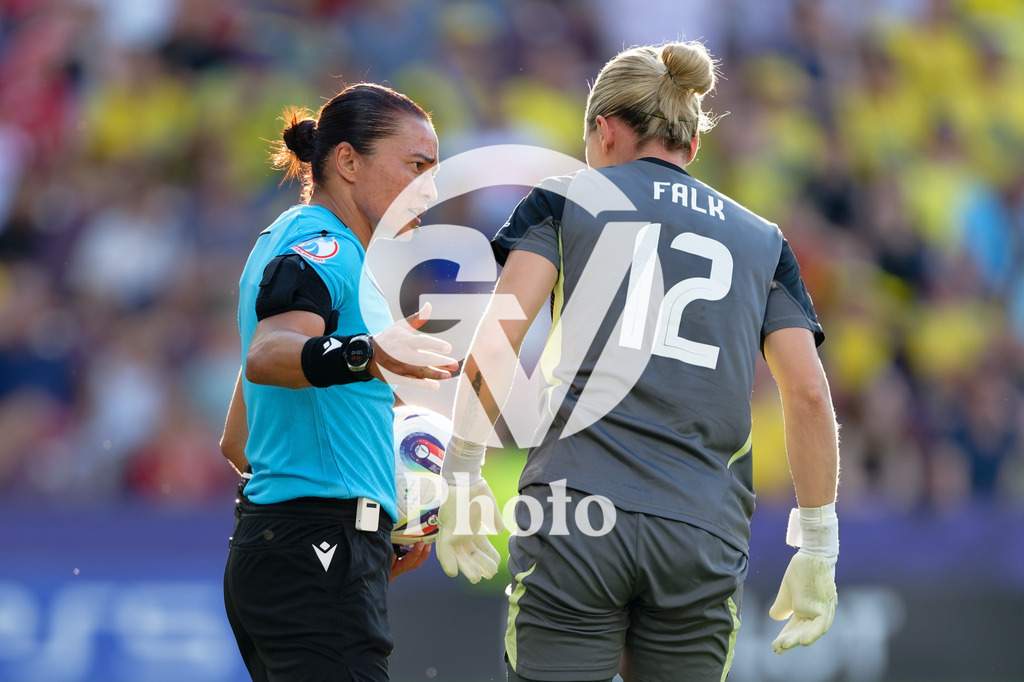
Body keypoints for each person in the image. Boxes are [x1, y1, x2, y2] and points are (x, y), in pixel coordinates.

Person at [435, 41, 841, 681]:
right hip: (702, 531)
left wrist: (462, 467)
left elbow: (498, 338)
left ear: (603, 131)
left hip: (578, 514)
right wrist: (818, 541)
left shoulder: (568, 198)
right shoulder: (764, 241)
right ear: (693, 144)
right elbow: (810, 396)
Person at [220, 82, 459, 682]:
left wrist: (372, 528)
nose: (429, 187)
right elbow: (269, 355)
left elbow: (238, 441)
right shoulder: (324, 246)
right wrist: (367, 352)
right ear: (348, 162)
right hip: (315, 545)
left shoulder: (290, 244)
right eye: (416, 166)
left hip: (291, 545)